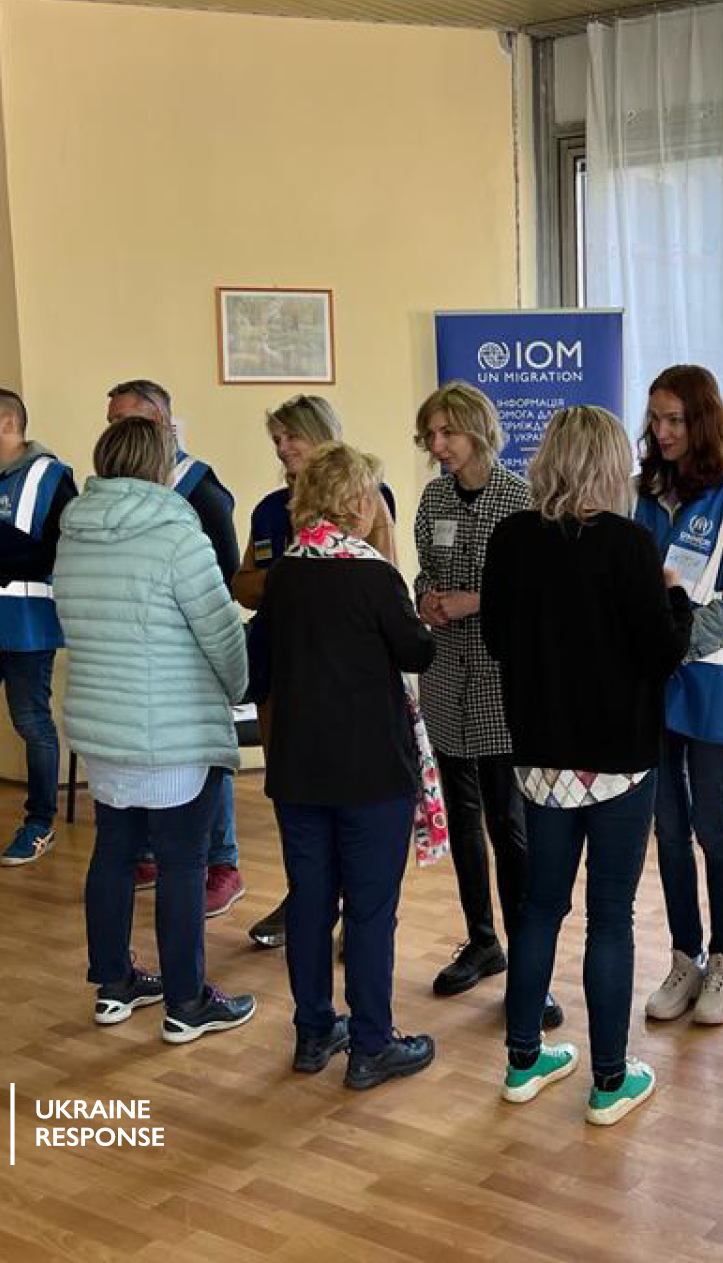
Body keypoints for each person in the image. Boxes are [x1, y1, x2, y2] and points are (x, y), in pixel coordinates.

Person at [481, 405, 692, 1125]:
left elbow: (497, 642)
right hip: (620, 762)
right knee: (610, 917)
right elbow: (663, 654)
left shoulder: (511, 539)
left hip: (539, 757)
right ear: (607, 464)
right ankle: (608, 1081)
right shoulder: (631, 545)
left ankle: (520, 1062)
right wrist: (677, 597)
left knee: (539, 908)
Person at [55, 417, 253, 1044]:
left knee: (113, 850)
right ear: (162, 467)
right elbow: (222, 636)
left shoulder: (76, 535)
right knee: (182, 863)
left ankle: (114, 985)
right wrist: (240, 686)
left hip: (102, 725)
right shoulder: (177, 537)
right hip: (172, 729)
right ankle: (187, 1002)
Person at [261, 441, 437, 1088]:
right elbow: (417, 652)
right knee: (368, 910)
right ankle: (369, 1046)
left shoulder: (285, 572)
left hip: (298, 769)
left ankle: (313, 1034)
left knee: (310, 903)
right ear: (360, 504)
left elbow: (259, 666)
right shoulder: (371, 574)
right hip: (370, 774)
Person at [633, 366, 723, 1027]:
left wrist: (670, 637)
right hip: (650, 685)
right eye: (655, 418)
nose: (661, 432)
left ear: (703, 422)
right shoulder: (640, 495)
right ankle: (684, 955)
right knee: (666, 827)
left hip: (713, 681)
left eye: (675, 421)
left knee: (712, 824)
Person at [232, 394, 397, 950]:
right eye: (275, 440)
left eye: (290, 437)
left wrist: (293, 579)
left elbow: (386, 581)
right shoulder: (269, 508)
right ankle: (307, 896)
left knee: (354, 799)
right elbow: (243, 584)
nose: (282, 449)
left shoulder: (369, 497)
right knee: (293, 794)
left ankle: (356, 906)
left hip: (352, 677)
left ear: (320, 435)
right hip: (282, 667)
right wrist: (296, 575)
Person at [413, 382, 555, 1025]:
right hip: (447, 678)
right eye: (430, 435)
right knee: (463, 822)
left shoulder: (521, 498)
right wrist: (426, 598)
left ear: (477, 430)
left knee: (510, 826)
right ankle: (482, 941)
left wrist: (472, 603)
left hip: (502, 682)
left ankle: (531, 969)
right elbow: (422, 567)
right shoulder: (433, 497)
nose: (438, 447)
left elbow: (538, 595)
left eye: (448, 433)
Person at [106, 379, 244, 918]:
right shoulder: (110, 494)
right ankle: (148, 852)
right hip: (138, 655)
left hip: (191, 654)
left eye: (127, 421)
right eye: (112, 421)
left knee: (206, 757)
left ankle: (223, 863)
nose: (117, 431)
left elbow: (228, 574)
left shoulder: (199, 488)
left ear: (162, 424)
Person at [0, 387, 76, 866]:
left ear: (7, 423)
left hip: (26, 622)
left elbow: (63, 548)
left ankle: (39, 823)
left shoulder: (51, 475)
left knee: (30, 722)